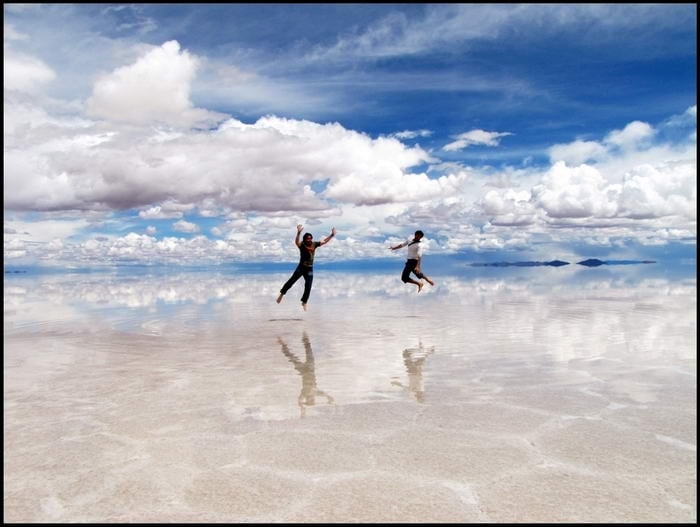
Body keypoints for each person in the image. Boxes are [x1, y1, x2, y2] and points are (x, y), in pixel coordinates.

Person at [277, 224, 336, 310]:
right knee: (291, 281)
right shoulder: (302, 245)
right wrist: (298, 233)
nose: (309, 240)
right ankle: (282, 294)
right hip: (301, 267)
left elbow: (324, 241)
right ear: (304, 239)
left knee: (308, 285)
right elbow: (296, 242)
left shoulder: (314, 244)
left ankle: (304, 302)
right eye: (307, 239)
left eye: (310, 238)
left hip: (309, 268)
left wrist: (332, 235)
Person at [278, 332, 334, 418]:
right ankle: (304, 335)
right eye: (312, 400)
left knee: (291, 357)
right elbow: (329, 396)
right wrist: (329, 400)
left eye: (310, 400)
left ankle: (283, 344)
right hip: (311, 369)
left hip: (303, 371)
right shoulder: (316, 393)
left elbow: (299, 401)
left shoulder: (304, 394)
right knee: (308, 351)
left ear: (307, 399)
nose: (311, 398)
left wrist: (302, 410)